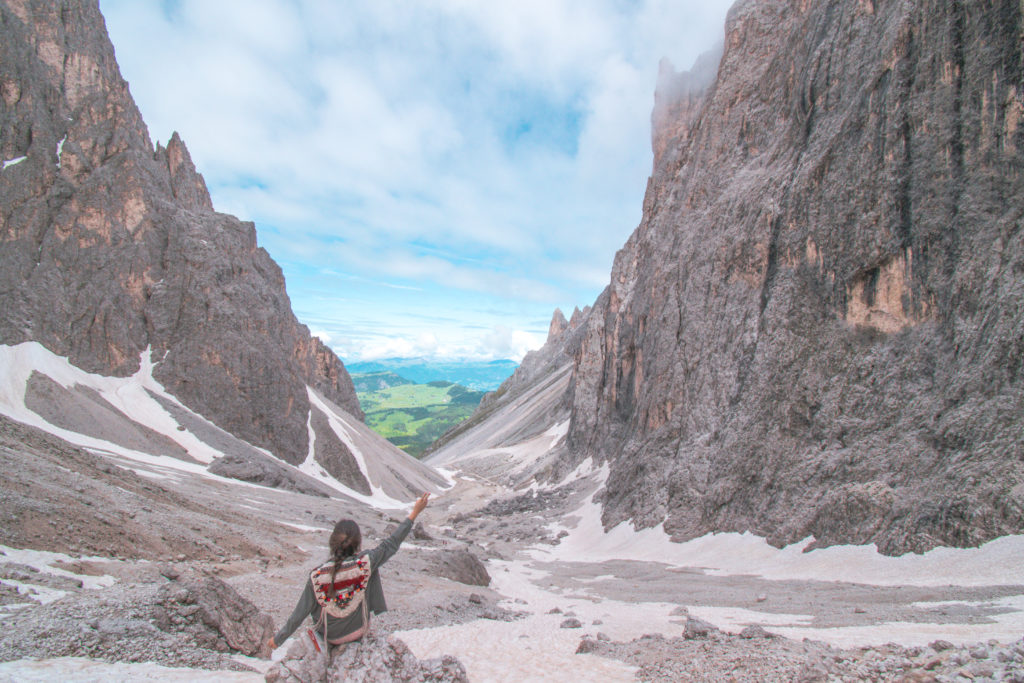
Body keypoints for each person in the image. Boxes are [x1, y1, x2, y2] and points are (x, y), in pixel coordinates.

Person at [266, 492, 430, 653]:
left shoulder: (316, 576)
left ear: (332, 543)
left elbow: (299, 614)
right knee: (371, 572)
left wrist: (277, 639)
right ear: (358, 543)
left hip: (329, 636)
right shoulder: (366, 562)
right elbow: (391, 544)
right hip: (357, 632)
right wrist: (415, 512)